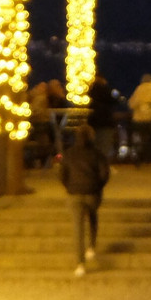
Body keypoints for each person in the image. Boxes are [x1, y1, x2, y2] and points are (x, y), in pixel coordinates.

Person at [58, 124, 110, 277]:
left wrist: (69, 186)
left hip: (74, 193)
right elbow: (104, 173)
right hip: (92, 192)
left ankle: (80, 264)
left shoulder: (68, 154)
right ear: (91, 136)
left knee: (77, 228)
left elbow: (62, 174)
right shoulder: (97, 154)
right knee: (93, 216)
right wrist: (97, 186)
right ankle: (91, 246)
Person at [127, 75, 151, 164]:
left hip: (137, 120)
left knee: (143, 140)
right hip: (148, 120)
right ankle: (150, 160)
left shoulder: (139, 89)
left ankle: (142, 159)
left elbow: (131, 104)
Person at [87, 74, 117, 160]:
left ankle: (94, 164)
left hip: (94, 122)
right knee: (105, 145)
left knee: (96, 145)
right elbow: (114, 100)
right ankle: (102, 165)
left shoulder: (92, 93)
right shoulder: (106, 92)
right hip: (106, 122)